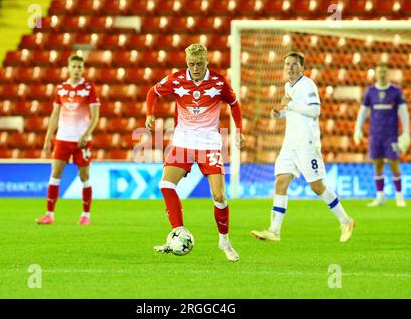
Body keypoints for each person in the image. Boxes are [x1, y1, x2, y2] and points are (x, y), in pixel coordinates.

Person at [145, 43, 245, 262]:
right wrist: (149, 114)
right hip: (183, 141)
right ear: (186, 63)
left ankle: (224, 241)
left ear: (207, 62)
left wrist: (238, 131)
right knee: (166, 184)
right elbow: (152, 92)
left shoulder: (219, 82)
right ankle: (178, 232)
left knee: (219, 195)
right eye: (192, 64)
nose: (196, 68)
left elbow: (234, 104)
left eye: (200, 64)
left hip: (209, 143)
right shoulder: (177, 79)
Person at [251, 51, 355, 243]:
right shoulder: (287, 86)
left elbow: (315, 110)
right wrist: (280, 115)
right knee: (281, 182)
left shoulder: (307, 85)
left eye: (294, 64)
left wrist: (290, 105)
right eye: (287, 64)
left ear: (302, 68)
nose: (289, 67)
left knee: (317, 186)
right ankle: (274, 230)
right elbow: (294, 112)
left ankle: (346, 220)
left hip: (306, 143)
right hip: (290, 143)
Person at [35, 54, 100, 225]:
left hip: (82, 140)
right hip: (63, 139)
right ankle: (49, 214)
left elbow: (95, 116)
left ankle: (86, 215)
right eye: (74, 66)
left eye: (80, 67)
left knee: (84, 176)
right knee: (55, 174)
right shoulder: (60, 89)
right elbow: (55, 114)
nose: (77, 70)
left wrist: (86, 134)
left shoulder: (89, 88)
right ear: (68, 68)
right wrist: (49, 136)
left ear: (83, 69)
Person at [353, 63, 409, 207]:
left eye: (384, 71)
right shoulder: (370, 91)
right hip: (375, 135)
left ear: (388, 73)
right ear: (376, 74)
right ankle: (380, 197)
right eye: (379, 72)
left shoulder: (395, 91)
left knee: (394, 164)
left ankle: (399, 197)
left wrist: (406, 132)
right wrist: (357, 128)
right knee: (377, 165)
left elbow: (403, 112)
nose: (382, 74)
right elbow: (363, 111)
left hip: (391, 136)